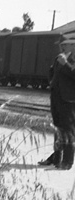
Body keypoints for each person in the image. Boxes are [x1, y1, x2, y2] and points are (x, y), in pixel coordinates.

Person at [38, 37, 75, 170]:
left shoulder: (67, 60)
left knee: (68, 131)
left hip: (69, 100)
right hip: (56, 98)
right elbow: (52, 72)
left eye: (67, 45)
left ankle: (67, 162)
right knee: (57, 129)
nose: (63, 47)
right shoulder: (59, 57)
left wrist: (66, 64)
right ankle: (56, 159)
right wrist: (51, 83)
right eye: (62, 45)